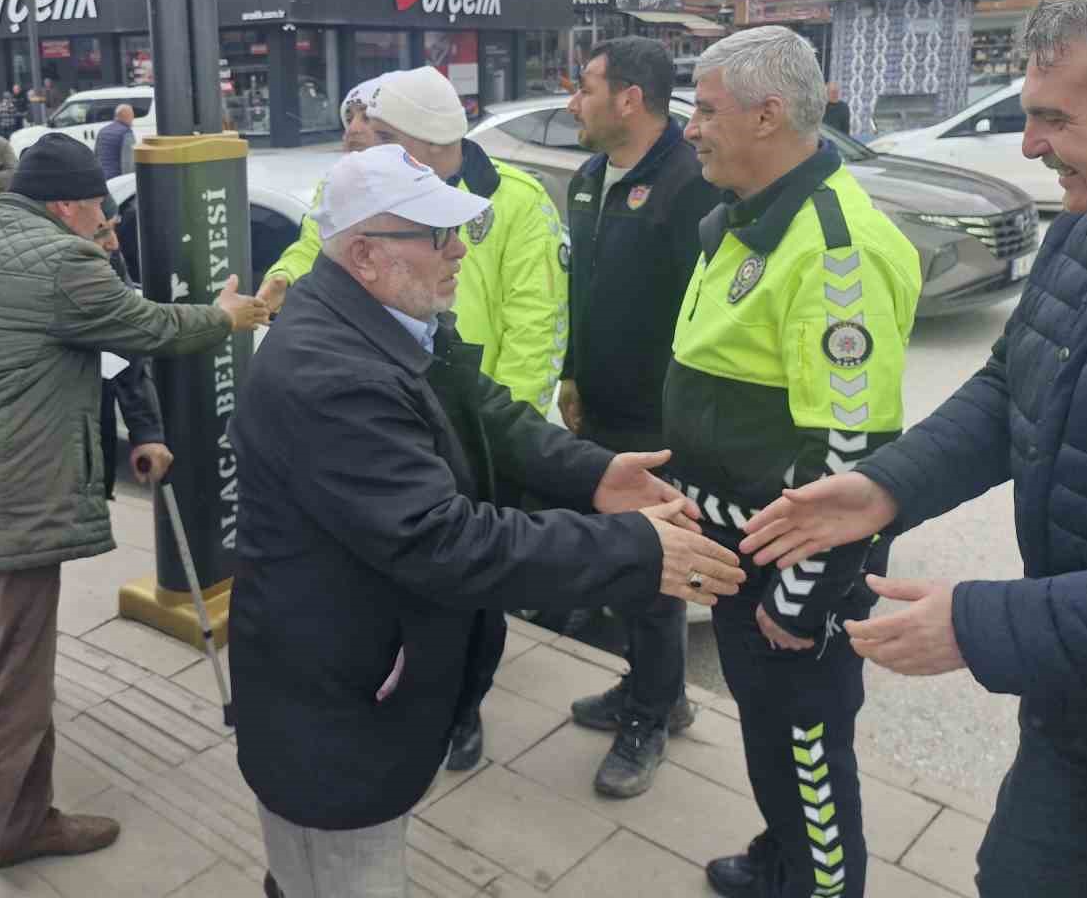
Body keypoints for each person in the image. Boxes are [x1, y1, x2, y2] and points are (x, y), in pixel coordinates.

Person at [229, 144, 745, 896]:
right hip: (334, 703)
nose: (460, 252)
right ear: (366, 255)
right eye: (438, 236)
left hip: (366, 677)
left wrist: (593, 472)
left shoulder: (389, 320)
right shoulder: (329, 373)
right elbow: (440, 537)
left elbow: (484, 410)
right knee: (341, 874)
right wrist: (634, 548)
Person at [740, 0, 1087, 898]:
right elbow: (1014, 385)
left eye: (1056, 118)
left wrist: (982, 624)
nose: (1033, 144)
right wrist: (888, 485)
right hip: (1083, 703)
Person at [0, 133, 269, 898]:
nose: (102, 222)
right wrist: (229, 315)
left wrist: (143, 430)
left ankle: (25, 825)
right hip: (4, 518)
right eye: (96, 206)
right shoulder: (63, 262)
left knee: (6, 687)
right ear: (67, 203)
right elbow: (154, 329)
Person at [659, 26, 921, 898]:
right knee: (770, 735)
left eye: (705, 108)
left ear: (768, 116)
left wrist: (802, 599)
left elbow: (851, 454)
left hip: (788, 569)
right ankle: (782, 860)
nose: (690, 127)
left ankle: (819, 885)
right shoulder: (757, 214)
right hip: (738, 551)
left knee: (808, 748)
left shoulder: (835, 248)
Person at [255, 67, 569, 772]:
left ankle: (465, 703)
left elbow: (537, 323)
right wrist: (281, 279)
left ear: (431, 143)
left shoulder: (515, 204)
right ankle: (423, 691)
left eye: (384, 139)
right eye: (358, 140)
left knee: (475, 582)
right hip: (396, 403)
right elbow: (319, 250)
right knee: (416, 575)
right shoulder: (359, 193)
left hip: (472, 415)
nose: (366, 153)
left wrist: (499, 440)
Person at [561, 38, 721, 799]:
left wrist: (687, 420)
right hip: (599, 411)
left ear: (629, 98)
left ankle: (652, 717)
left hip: (661, 425)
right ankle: (654, 691)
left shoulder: (692, 185)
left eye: (584, 87)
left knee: (658, 573)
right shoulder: (590, 179)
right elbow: (582, 293)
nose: (573, 103)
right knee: (622, 566)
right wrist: (570, 371)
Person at [256, 76, 382, 311]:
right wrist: (284, 277)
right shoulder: (337, 187)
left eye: (367, 117)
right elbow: (315, 248)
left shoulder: (451, 186)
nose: (353, 128)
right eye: (349, 118)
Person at [92, 194, 171, 502]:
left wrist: (146, 432)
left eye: (114, 229)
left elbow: (124, 345)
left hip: (94, 432)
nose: (114, 243)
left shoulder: (107, 262)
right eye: (101, 233)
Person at [94, 104, 137, 180]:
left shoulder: (102, 131)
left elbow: (96, 156)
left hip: (101, 178)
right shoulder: (126, 133)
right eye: (132, 116)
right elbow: (128, 164)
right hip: (116, 180)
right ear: (127, 116)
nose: (132, 119)